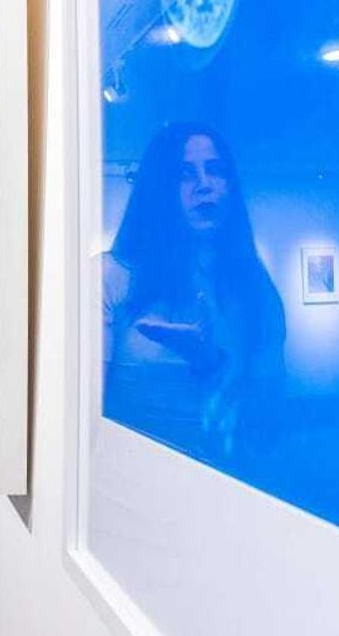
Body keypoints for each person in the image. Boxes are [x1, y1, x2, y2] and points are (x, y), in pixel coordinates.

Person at [102, 122, 285, 466]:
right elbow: (83, 417)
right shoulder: (113, 276)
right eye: (185, 174)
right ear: (159, 190)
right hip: (134, 481)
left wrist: (209, 363)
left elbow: (270, 414)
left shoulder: (257, 290)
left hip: (231, 483)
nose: (204, 185)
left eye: (215, 170)